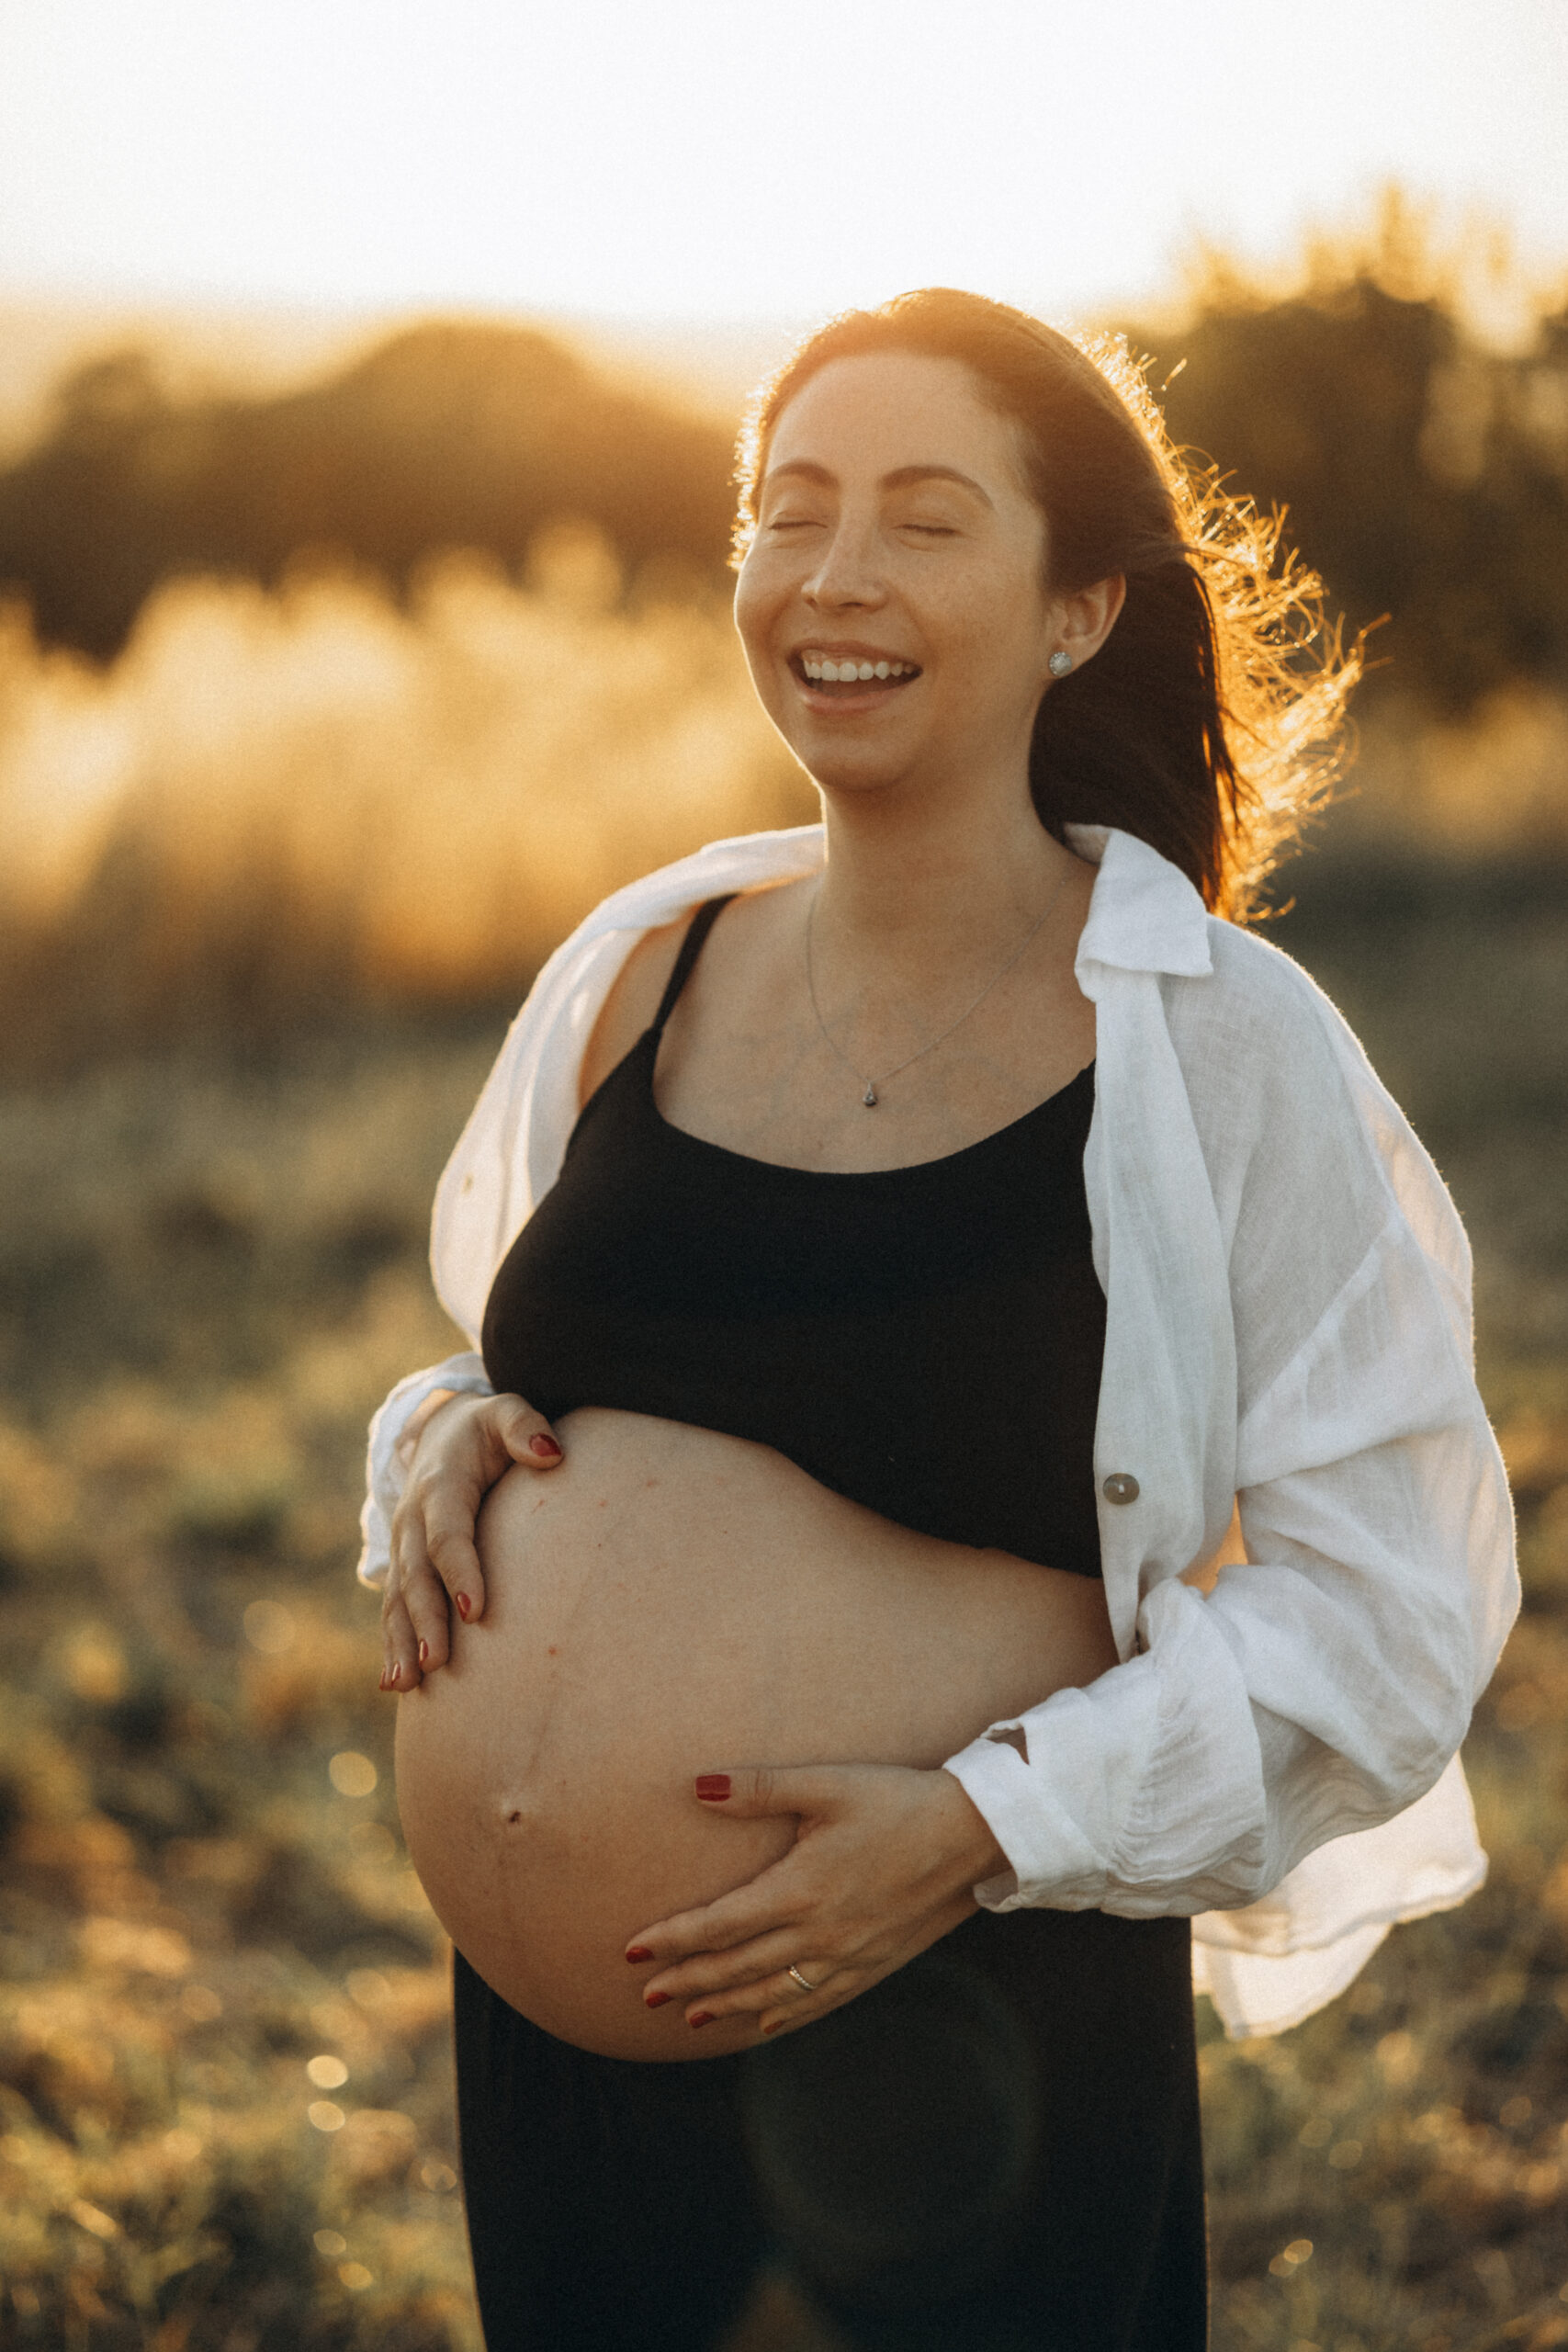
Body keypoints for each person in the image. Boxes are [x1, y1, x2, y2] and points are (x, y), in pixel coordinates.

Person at [358, 289, 1517, 2352]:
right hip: (567, 2077)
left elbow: (1389, 1598)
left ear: (1075, 604)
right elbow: (528, 1360)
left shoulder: (1211, 1044)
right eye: (787, 511)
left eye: (919, 517)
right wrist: (444, 1429)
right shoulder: (638, 963)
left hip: (957, 2046)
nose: (833, 576)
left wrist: (984, 1827)